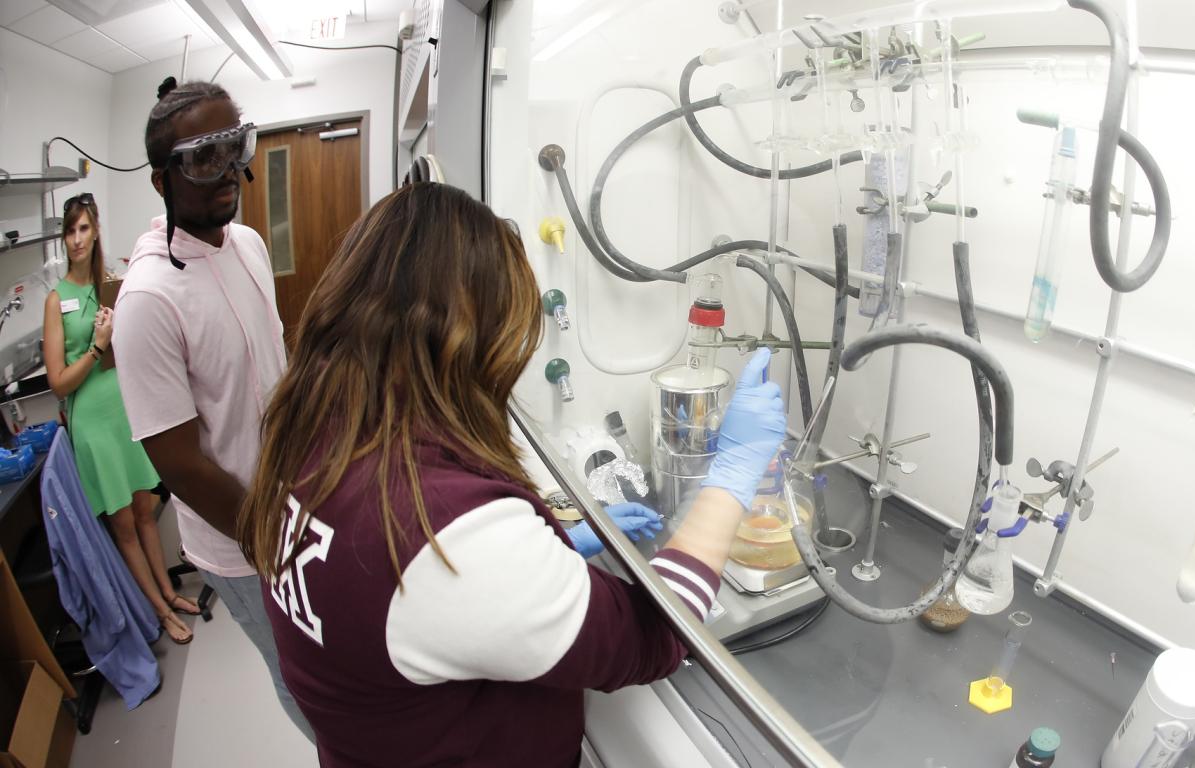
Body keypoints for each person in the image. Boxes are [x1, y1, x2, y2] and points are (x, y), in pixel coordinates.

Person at [235, 182, 788, 767]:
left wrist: (547, 545)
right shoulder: (441, 529)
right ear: (467, 338)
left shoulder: (312, 432)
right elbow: (653, 637)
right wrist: (733, 472)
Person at [111, 78, 312, 739]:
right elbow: (180, 464)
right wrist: (272, 540)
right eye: (203, 159)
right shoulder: (149, 298)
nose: (229, 173)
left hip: (296, 509)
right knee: (302, 680)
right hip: (244, 540)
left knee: (331, 663)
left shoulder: (248, 243)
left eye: (235, 147)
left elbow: (269, 375)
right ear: (161, 179)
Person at [41, 192, 199, 646]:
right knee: (124, 524)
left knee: (145, 511)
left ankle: (171, 595)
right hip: (91, 422)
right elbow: (58, 382)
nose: (77, 240)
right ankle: (158, 613)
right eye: (69, 231)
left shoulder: (110, 283)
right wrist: (96, 345)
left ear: (96, 231)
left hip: (123, 409)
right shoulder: (57, 300)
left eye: (84, 229)